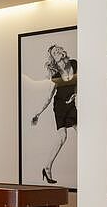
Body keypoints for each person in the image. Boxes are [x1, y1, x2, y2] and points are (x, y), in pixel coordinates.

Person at [30, 44, 77, 184]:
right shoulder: (56, 76)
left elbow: (82, 82)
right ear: (54, 60)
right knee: (62, 137)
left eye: (58, 50)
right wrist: (38, 113)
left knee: (83, 133)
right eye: (54, 53)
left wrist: (76, 94)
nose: (57, 52)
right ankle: (47, 167)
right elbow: (48, 97)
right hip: (60, 107)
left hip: (72, 105)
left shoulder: (75, 64)